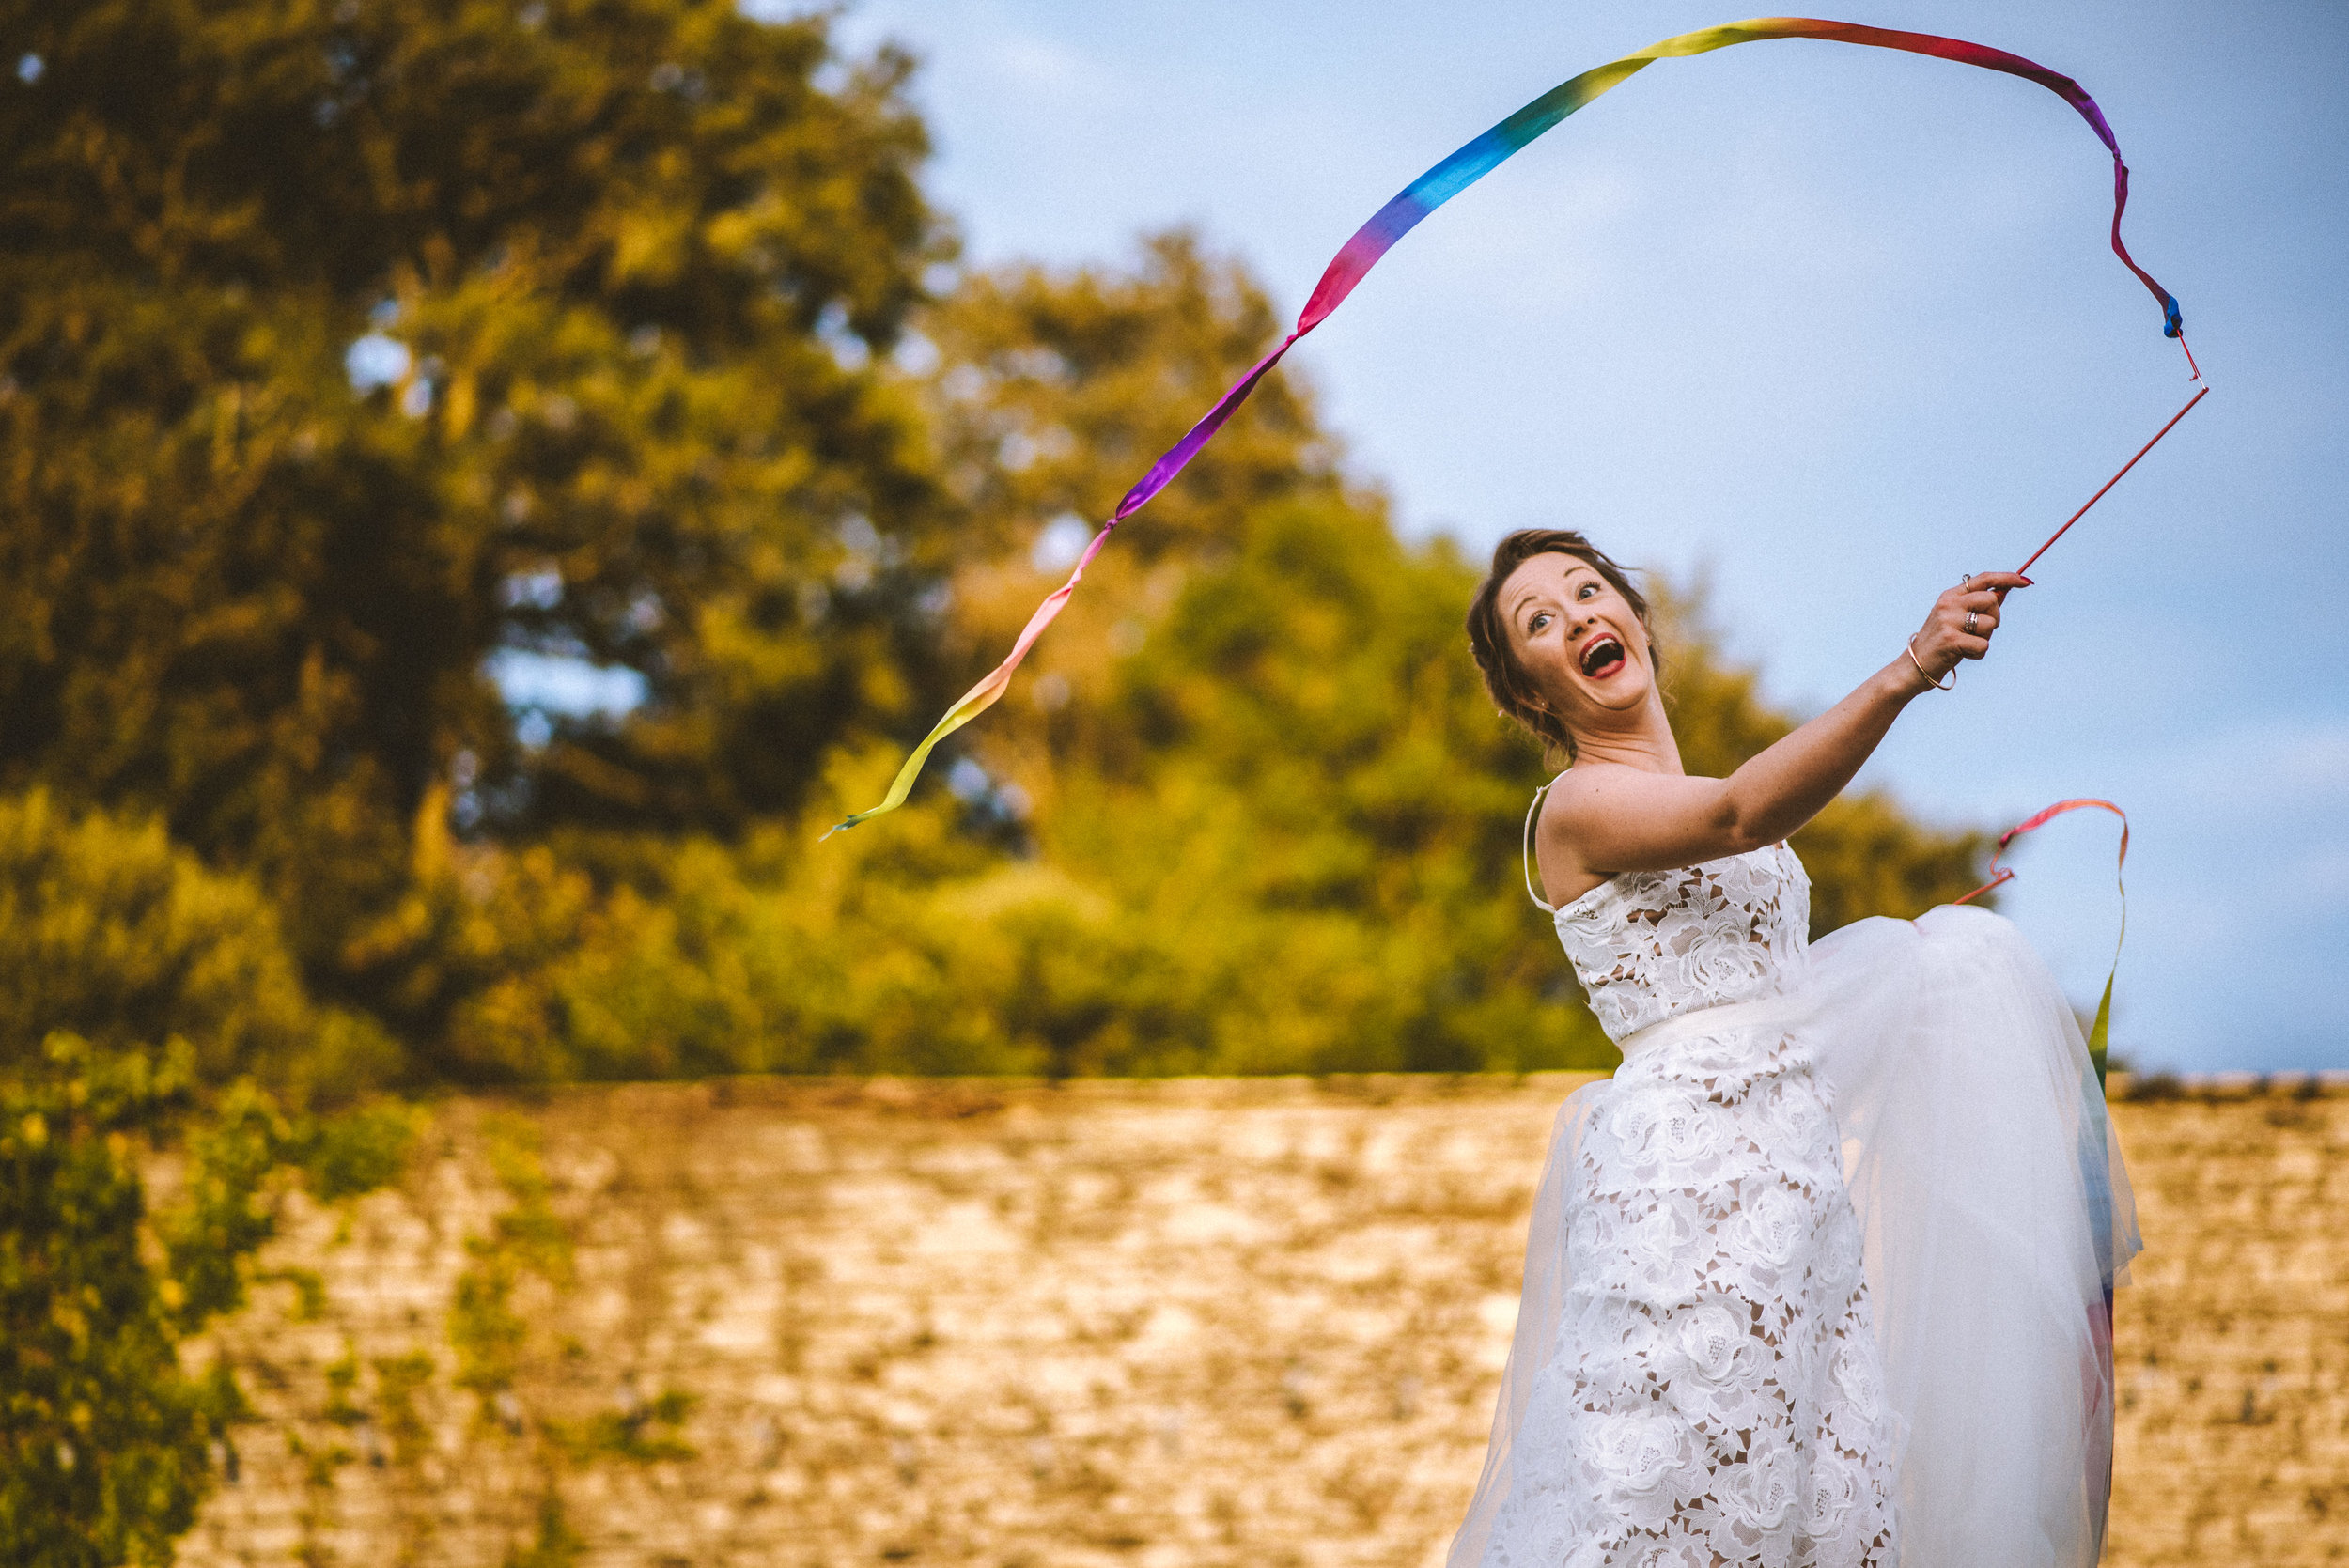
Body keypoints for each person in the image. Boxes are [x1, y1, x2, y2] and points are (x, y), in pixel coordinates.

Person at [1448, 530, 2139, 1568]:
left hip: (1799, 1202)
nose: (1578, 616)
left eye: (1590, 591)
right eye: (1538, 621)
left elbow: (1773, 978)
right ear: (1533, 695)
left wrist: (1920, 974)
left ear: (1637, 622)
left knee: (1811, 1508)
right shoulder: (1577, 809)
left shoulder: (1697, 798)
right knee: (1668, 1494)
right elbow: (1739, 812)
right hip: (1685, 1193)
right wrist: (1912, 667)